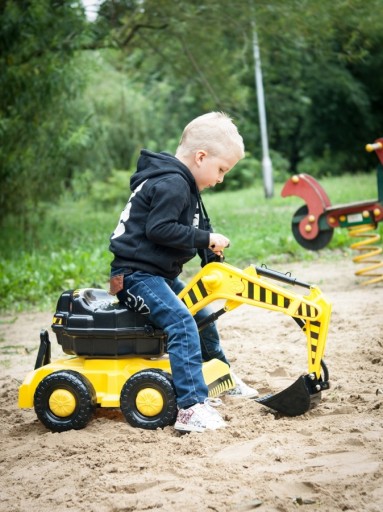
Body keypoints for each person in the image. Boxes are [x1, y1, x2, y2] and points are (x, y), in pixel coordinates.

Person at [109, 111, 257, 433]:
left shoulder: (185, 187)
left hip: (156, 276)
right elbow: (160, 229)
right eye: (221, 170)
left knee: (201, 312)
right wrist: (205, 238)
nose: (220, 179)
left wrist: (209, 252)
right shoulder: (172, 183)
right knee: (182, 322)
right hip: (134, 277)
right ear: (200, 156)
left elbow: (194, 228)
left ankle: (220, 376)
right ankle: (191, 407)